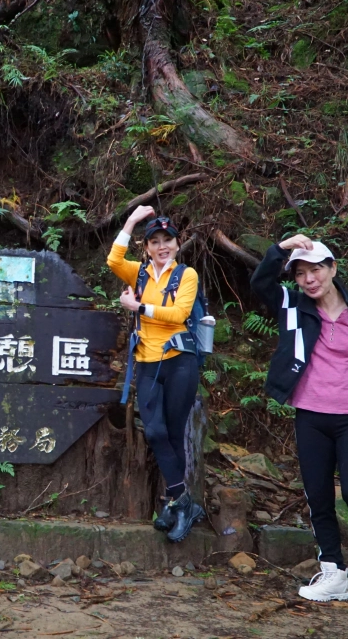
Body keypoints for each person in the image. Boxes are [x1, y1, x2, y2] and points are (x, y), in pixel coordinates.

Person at [251, 234, 348, 617]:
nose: (309, 279)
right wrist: (283, 248)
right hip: (311, 414)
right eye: (300, 273)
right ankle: (333, 573)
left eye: (316, 269)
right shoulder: (293, 306)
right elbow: (260, 284)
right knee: (317, 496)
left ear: (333, 269)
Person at [107, 205, 205, 543]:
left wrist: (140, 308)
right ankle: (182, 501)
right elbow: (113, 261)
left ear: (177, 244)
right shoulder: (139, 273)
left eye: (168, 240)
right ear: (146, 247)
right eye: (155, 241)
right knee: (155, 431)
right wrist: (132, 221)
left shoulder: (186, 275)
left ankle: (173, 504)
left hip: (179, 362)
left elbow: (179, 315)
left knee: (174, 433)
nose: (162, 246)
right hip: (148, 363)